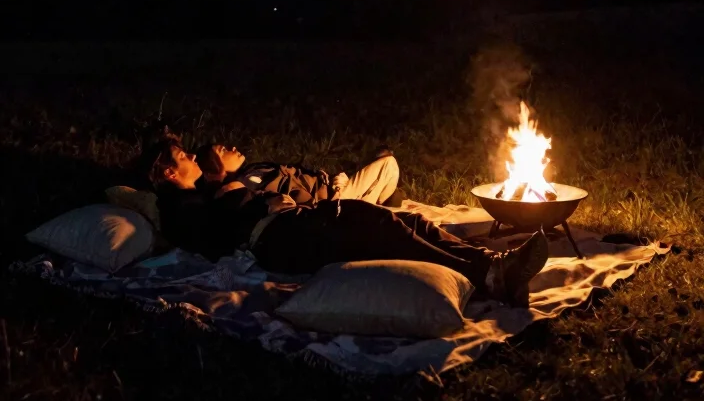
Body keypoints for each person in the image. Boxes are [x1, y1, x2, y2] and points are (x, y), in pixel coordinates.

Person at [142, 133, 549, 307]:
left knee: (409, 221)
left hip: (292, 222)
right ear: (168, 174)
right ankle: (490, 277)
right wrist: (235, 198)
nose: (192, 157)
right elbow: (210, 240)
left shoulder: (200, 195)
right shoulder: (182, 207)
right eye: (183, 158)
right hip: (277, 239)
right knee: (377, 225)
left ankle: (492, 265)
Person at [194, 141, 402, 208]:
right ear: (217, 168)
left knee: (381, 155)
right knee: (388, 163)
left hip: (332, 188)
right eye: (223, 151)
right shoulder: (248, 182)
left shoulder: (254, 169)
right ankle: (377, 209)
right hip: (333, 202)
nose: (232, 148)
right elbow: (289, 199)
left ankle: (376, 206)